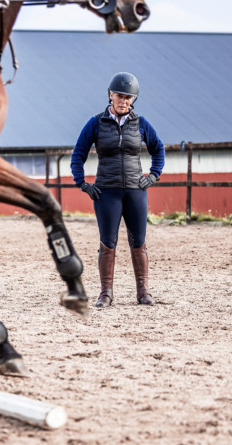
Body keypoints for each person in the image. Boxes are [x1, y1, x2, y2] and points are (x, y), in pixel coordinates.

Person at [70, 72, 165, 308]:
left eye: (127, 97)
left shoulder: (142, 124)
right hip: (107, 192)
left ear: (133, 100)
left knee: (138, 242)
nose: (122, 101)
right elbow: (78, 154)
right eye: (118, 96)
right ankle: (105, 293)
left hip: (135, 191)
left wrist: (153, 176)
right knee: (108, 243)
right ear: (110, 95)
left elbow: (158, 149)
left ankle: (143, 292)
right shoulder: (95, 123)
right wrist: (82, 183)